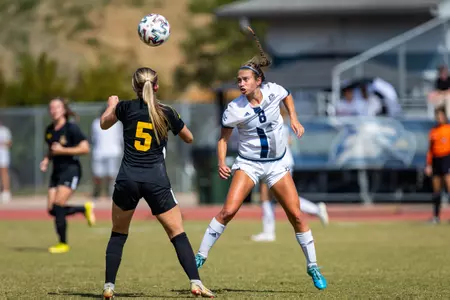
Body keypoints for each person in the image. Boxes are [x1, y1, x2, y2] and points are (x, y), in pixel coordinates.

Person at [195, 27, 327, 290]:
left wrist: (295, 119)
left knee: (297, 216)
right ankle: (199, 256)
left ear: (258, 80)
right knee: (228, 210)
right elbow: (223, 139)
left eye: (245, 79)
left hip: (277, 164)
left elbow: (287, 95)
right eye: (238, 80)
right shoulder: (234, 109)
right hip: (249, 164)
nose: (240, 84)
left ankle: (313, 266)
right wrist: (222, 161)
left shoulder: (273, 90)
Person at [99, 67, 215, 299]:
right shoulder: (166, 112)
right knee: (177, 233)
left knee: (118, 234)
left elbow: (104, 123)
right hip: (156, 180)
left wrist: (112, 104)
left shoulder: (125, 108)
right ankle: (195, 283)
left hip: (127, 179)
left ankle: (109, 287)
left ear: (134, 87)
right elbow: (189, 138)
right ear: (157, 86)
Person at [251, 120, 329, 242]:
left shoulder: (268, 123)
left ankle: (269, 232)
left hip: (276, 163)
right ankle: (316, 209)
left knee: (270, 195)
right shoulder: (283, 125)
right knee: (281, 197)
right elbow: (289, 141)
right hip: (285, 161)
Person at [40, 98, 96, 254]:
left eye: (57, 107)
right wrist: (46, 160)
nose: (54, 110)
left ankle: (63, 243)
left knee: (58, 205)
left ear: (63, 109)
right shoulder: (49, 130)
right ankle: (83, 208)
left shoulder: (71, 128)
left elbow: (85, 149)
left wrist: (63, 150)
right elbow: (52, 150)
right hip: (56, 172)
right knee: (52, 210)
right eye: (51, 108)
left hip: (71, 170)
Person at [425, 106, 450, 224]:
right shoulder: (433, 131)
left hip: (447, 158)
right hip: (436, 160)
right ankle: (436, 217)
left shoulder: (448, 129)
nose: (439, 118)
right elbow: (430, 149)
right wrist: (428, 164)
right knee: (436, 190)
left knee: (449, 186)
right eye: (437, 116)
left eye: (441, 115)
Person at [91, 108, 123, 201]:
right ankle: (97, 193)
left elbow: (120, 137)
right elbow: (94, 138)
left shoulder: (117, 123)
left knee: (111, 175)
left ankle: (112, 195)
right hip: (99, 152)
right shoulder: (96, 123)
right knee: (97, 175)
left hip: (113, 152)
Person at [0, 121, 12, 203]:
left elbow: (9, 142)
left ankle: (6, 192)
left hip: (3, 155)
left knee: (4, 173)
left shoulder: (4, 130)